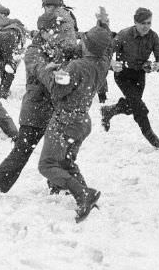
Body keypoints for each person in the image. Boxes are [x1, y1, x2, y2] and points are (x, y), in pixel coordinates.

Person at [0, 13, 88, 201]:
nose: (59, 35)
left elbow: (86, 53)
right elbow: (42, 74)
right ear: (45, 32)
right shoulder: (33, 52)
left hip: (57, 111)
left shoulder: (62, 47)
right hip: (36, 111)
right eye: (55, 31)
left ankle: (62, 187)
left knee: (61, 152)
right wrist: (56, 73)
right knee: (21, 152)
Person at [34, 26, 111, 222]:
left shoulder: (76, 66)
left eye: (84, 40)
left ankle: (84, 194)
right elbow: (106, 50)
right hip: (82, 121)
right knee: (66, 161)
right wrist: (104, 25)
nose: (81, 42)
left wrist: (46, 71)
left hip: (65, 120)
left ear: (88, 46)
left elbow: (57, 90)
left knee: (47, 165)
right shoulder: (102, 64)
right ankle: (85, 198)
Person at [100, 7, 159, 151]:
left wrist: (158, 64)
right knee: (139, 108)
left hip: (139, 75)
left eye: (149, 23)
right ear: (135, 23)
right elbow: (106, 52)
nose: (146, 26)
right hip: (123, 75)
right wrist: (112, 64)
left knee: (132, 106)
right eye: (142, 23)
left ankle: (109, 111)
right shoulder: (124, 35)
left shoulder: (153, 37)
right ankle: (152, 138)